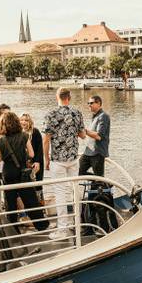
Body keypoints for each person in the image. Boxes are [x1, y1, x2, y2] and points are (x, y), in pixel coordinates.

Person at [43, 87, 85, 240]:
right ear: (69, 97)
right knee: (75, 190)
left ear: (57, 97)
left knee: (60, 193)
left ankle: (63, 229)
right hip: (73, 159)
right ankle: (77, 223)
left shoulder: (51, 114)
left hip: (58, 160)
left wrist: (46, 159)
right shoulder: (77, 113)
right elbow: (82, 135)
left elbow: (46, 140)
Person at [0, 111, 49, 231]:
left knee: (10, 202)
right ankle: (41, 225)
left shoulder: (1, 140)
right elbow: (32, 154)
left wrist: (6, 154)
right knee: (31, 200)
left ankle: (13, 229)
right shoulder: (24, 136)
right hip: (22, 172)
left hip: (8, 173)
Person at [79, 95, 110, 177]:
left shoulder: (103, 116)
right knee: (78, 172)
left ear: (98, 103)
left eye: (91, 103)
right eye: (88, 103)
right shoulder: (94, 116)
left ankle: (103, 183)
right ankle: (101, 182)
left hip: (98, 153)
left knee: (99, 178)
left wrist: (85, 131)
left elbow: (99, 136)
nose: (89, 105)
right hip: (88, 152)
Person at [20, 113, 44, 193]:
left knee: (37, 183)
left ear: (30, 122)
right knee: (25, 184)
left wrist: (37, 161)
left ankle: (39, 198)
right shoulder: (18, 133)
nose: (24, 122)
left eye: (26, 120)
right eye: (22, 120)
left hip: (35, 161)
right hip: (23, 163)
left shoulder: (35, 132)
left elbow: (40, 148)